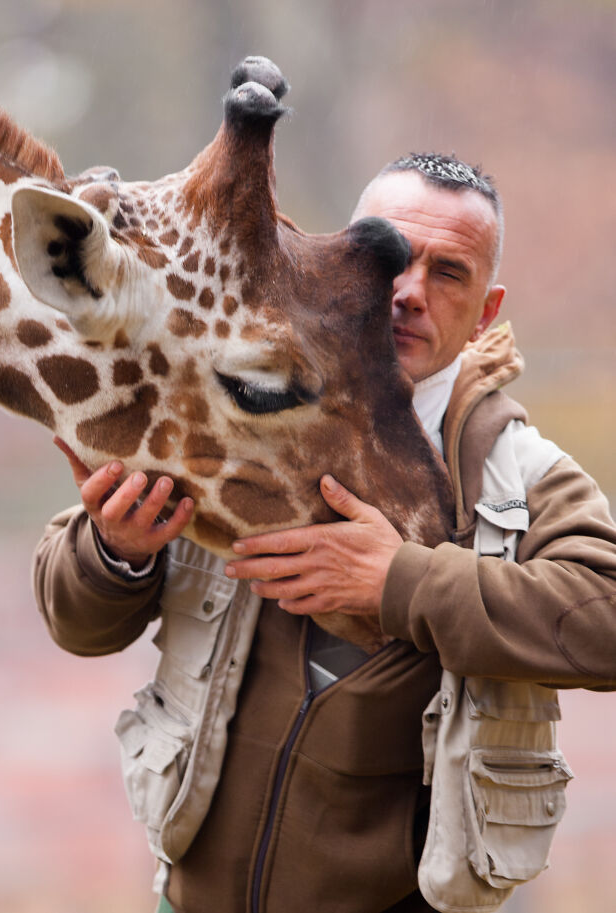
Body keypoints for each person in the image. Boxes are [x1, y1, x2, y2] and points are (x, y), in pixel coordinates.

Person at [33, 153, 616, 913]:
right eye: (392, 258)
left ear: (486, 308)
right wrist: (118, 549)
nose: (409, 292)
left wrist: (398, 581)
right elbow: (74, 622)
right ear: (341, 261)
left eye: (448, 274)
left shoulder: (521, 472)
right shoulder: (225, 399)